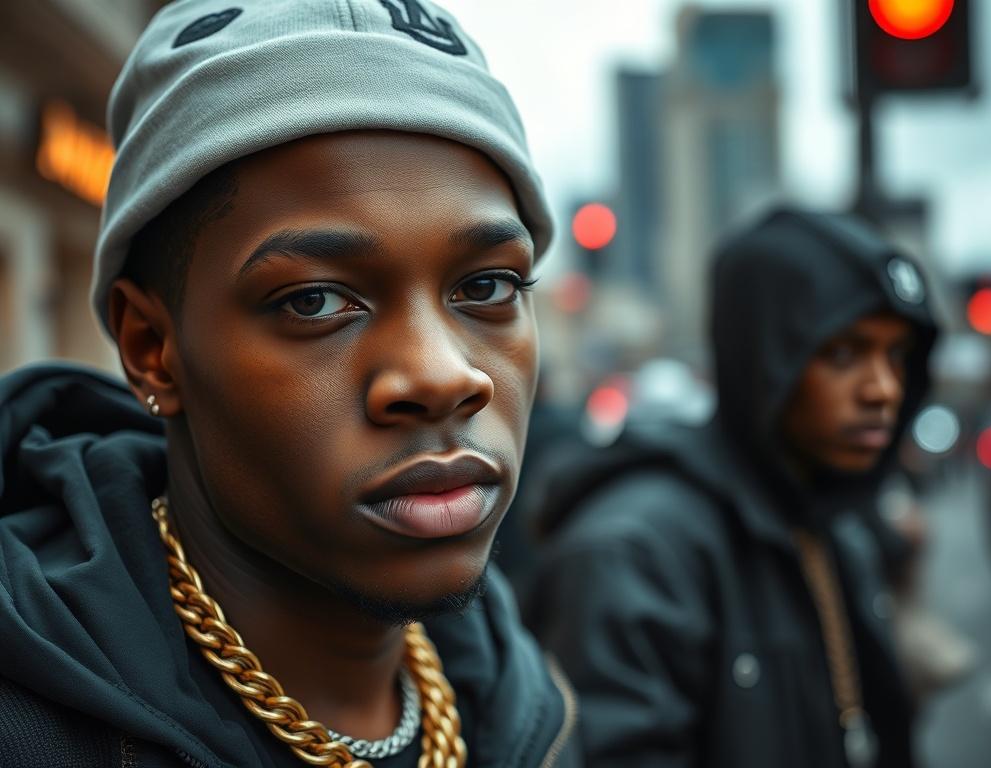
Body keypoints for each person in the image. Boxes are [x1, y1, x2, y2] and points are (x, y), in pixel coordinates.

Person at [0, 1, 580, 766]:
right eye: (315, 301)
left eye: (487, 287)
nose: (444, 376)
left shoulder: (529, 710)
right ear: (152, 349)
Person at [524, 207, 939, 767]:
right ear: (766, 355)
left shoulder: (830, 520)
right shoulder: (637, 553)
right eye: (844, 353)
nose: (883, 388)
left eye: (897, 356)